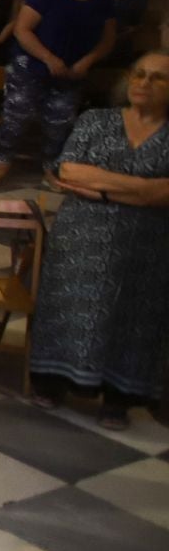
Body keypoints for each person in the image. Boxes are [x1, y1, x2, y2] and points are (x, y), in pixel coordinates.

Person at [29, 51, 169, 429]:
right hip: (83, 236)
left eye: (158, 78)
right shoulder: (97, 120)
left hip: (149, 245)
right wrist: (142, 190)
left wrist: (103, 187)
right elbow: (70, 170)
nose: (145, 83)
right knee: (71, 305)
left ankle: (117, 398)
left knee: (134, 316)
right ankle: (53, 382)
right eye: (139, 74)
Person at [0, 0, 120, 189]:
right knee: (17, 117)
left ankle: (51, 168)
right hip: (33, 66)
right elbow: (23, 29)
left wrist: (87, 61)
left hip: (73, 70)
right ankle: (1, 165)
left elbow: (108, 38)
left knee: (60, 121)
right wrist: (48, 58)